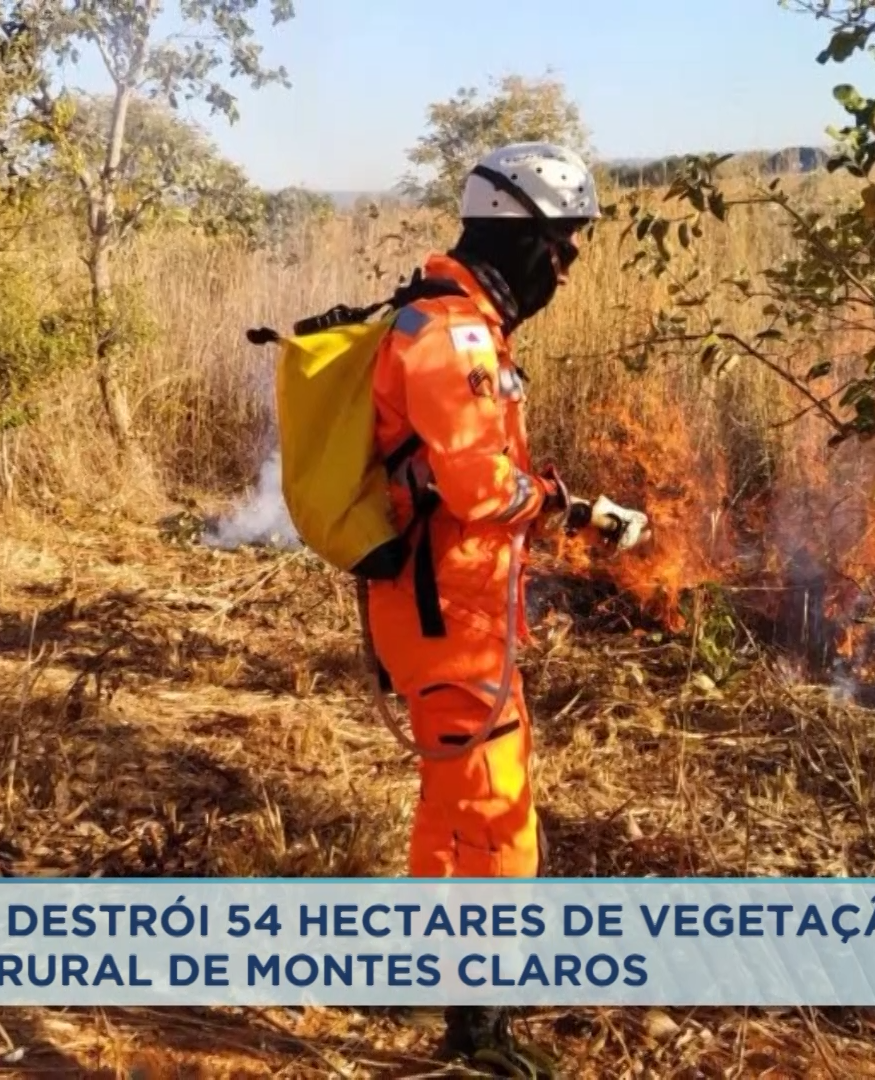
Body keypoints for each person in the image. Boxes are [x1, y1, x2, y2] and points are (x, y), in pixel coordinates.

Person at [361, 142, 648, 1077]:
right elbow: (482, 489)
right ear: (515, 233)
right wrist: (572, 508)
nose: (565, 267)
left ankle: (436, 978)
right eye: (560, 247)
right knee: (495, 811)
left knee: (454, 799)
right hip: (448, 616)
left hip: (453, 608)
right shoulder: (454, 337)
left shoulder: (458, 323)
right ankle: (478, 1029)